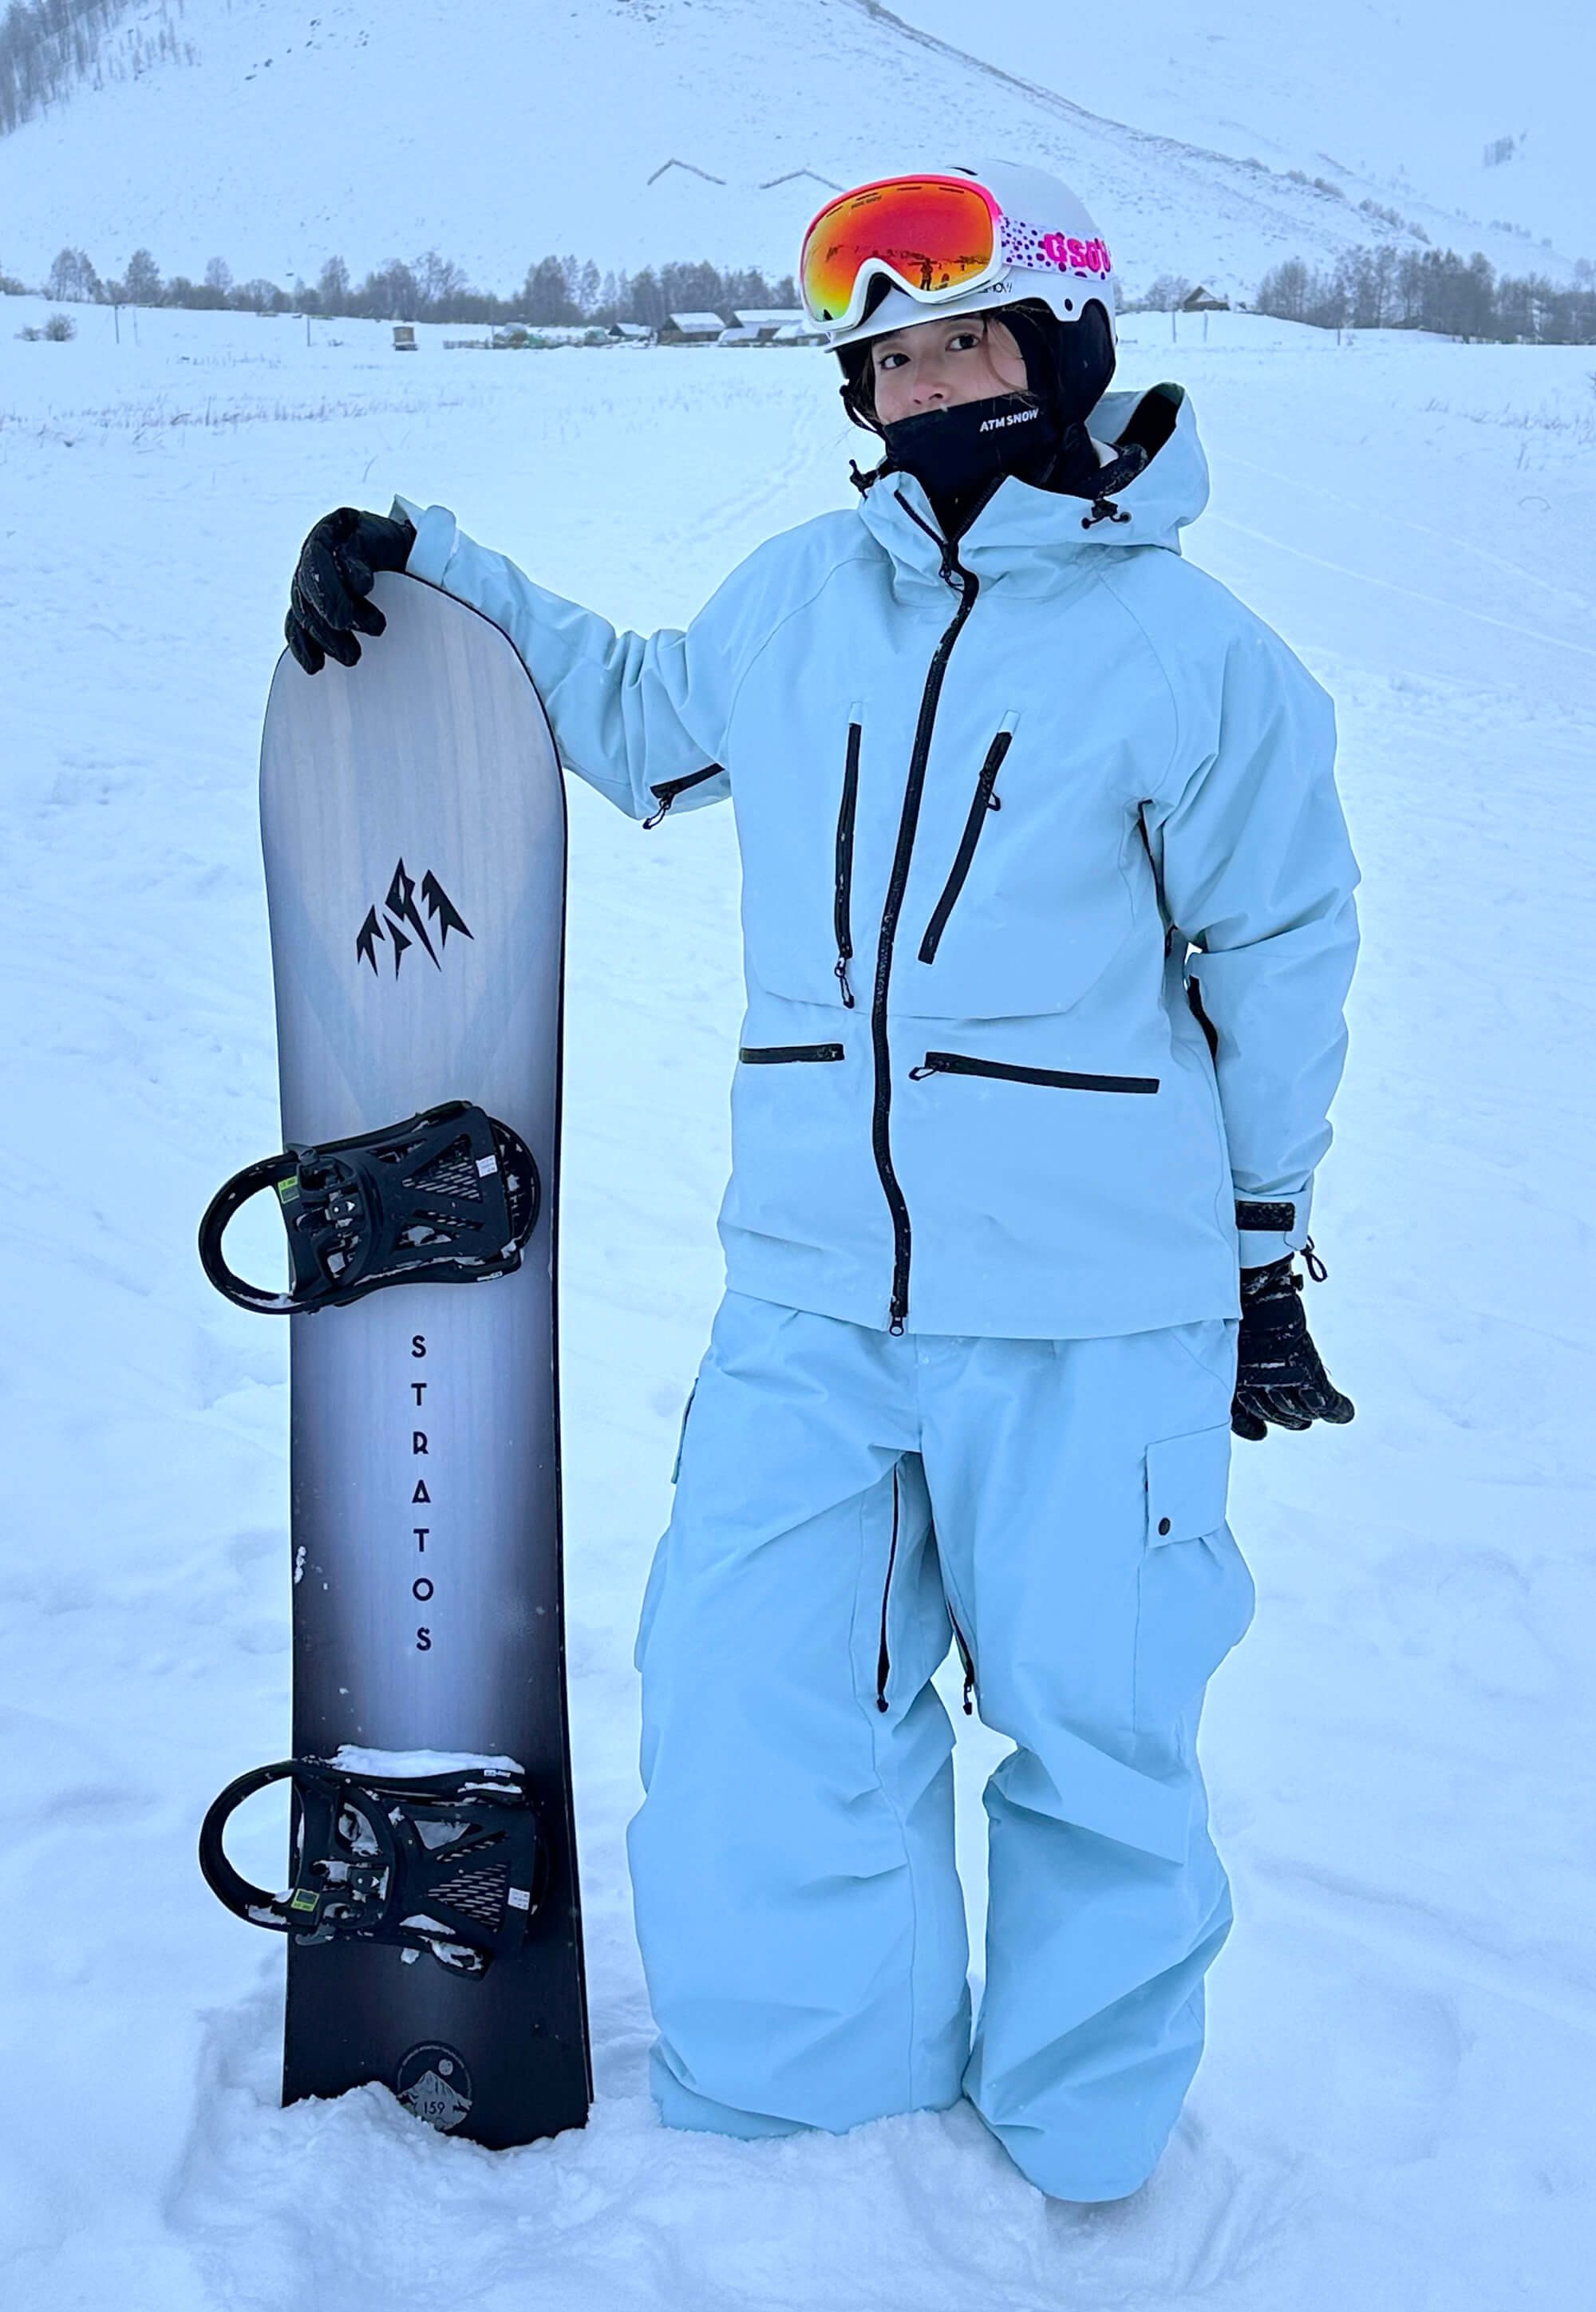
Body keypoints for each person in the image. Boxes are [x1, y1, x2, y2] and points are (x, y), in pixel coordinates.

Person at [285, 162, 1358, 2201]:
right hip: (808, 1297)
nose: (917, 384)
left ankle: (1074, 2161)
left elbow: (1280, 963)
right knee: (752, 1705)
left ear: (1054, 348)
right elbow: (625, 718)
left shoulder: (1203, 660)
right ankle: (811, 2136)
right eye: (880, 358)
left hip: (1087, 1310)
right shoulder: (793, 602)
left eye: (958, 339)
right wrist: (429, 570)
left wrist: (1262, 1245)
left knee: (1098, 1739)